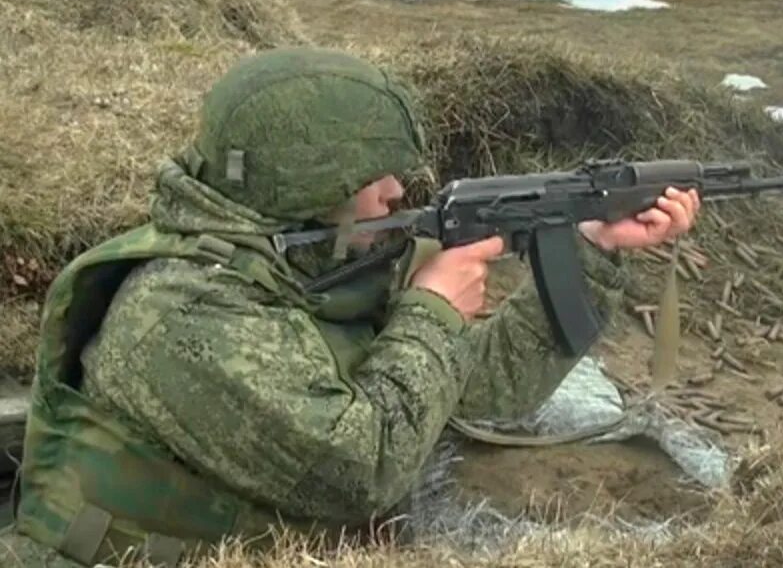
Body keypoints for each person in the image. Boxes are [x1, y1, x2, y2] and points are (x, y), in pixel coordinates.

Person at [0, 47, 699, 567]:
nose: (395, 190)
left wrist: (592, 248)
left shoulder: (307, 265)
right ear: (307, 183)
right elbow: (362, 471)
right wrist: (431, 310)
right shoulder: (185, 315)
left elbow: (475, 393)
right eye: (370, 175)